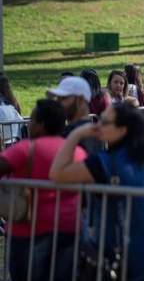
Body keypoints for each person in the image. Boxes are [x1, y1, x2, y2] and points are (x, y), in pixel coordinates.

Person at [49, 102, 144, 281]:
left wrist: (76, 134)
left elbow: (57, 173)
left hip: (128, 255)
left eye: (105, 122)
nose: (98, 126)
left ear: (123, 129)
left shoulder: (106, 162)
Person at [0, 99, 87, 281]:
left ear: (40, 124)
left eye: (31, 120)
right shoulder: (78, 152)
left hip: (27, 232)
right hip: (69, 229)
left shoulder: (25, 149)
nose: (28, 124)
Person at [47, 76, 105, 155]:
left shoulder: (67, 134)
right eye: (58, 99)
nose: (58, 103)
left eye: (63, 98)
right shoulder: (99, 133)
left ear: (80, 99)